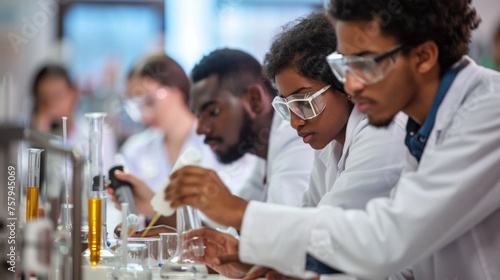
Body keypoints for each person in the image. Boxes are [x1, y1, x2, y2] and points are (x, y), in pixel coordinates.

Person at [166, 0, 500, 279]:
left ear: (423, 57)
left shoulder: (487, 113)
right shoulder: (421, 125)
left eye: (364, 63)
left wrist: (240, 213)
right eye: (345, 66)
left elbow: (388, 239)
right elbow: (403, 265)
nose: (351, 86)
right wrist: (281, 262)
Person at [166, 12, 407, 278]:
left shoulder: (382, 132)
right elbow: (307, 219)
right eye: (286, 106)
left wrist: (237, 212)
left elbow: (329, 232)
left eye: (304, 102)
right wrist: (249, 257)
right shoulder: (328, 143)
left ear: (346, 84)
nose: (294, 122)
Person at [111, 52, 258, 229]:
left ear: (177, 88)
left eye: (149, 101)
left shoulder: (220, 140)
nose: (145, 115)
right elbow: (131, 221)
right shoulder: (136, 149)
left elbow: (236, 217)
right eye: (136, 106)